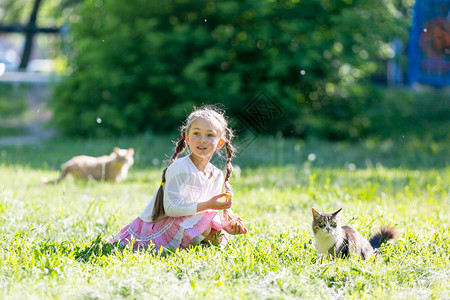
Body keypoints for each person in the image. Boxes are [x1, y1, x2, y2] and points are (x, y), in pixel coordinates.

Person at [110, 105, 247, 251]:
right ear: (187, 137)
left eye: (210, 135)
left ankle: (199, 242)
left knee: (218, 236)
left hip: (189, 220)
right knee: (205, 228)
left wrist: (226, 225)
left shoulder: (216, 175)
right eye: (196, 133)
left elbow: (208, 212)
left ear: (220, 142)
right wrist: (208, 205)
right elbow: (170, 208)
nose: (202, 140)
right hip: (163, 223)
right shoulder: (180, 168)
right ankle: (188, 243)